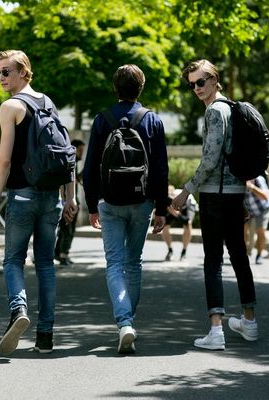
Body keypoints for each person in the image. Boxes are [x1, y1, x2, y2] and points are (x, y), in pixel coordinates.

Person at [0, 50, 77, 356]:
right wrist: (70, 197)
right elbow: (65, 154)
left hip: (22, 196)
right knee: (45, 266)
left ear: (24, 72)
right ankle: (45, 337)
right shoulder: (47, 102)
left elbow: (4, 160)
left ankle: (18, 309)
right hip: (51, 199)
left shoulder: (10, 107)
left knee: (12, 260)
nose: (1, 78)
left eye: (6, 72)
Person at [171, 59, 258, 351]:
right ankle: (249, 322)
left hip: (215, 195)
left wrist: (186, 191)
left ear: (214, 80)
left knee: (213, 261)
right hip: (234, 193)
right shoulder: (232, 108)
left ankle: (216, 331)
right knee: (239, 257)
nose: (196, 88)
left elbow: (210, 158)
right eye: (192, 84)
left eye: (200, 82)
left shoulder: (215, 111)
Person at [83, 64, 169, 354]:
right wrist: (161, 208)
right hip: (142, 201)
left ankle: (124, 323)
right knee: (134, 263)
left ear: (115, 88)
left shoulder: (102, 119)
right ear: (140, 88)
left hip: (110, 202)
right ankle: (128, 321)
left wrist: (91, 204)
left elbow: (90, 166)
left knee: (115, 263)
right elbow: (160, 168)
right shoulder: (152, 120)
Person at [55, 139, 85, 266]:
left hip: (68, 200)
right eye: (80, 150)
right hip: (68, 201)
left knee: (66, 229)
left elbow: (77, 179)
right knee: (68, 229)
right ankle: (63, 254)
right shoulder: (69, 162)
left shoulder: (73, 162)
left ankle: (58, 253)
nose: (81, 153)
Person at [162, 185, 198, 261]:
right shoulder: (165, 199)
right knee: (164, 226)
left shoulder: (177, 194)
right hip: (175, 206)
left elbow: (178, 214)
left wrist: (181, 216)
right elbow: (172, 211)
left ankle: (184, 252)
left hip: (189, 204)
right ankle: (170, 250)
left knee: (188, 223)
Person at [244, 175, 269, 265]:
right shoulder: (237, 181)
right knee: (244, 231)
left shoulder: (258, 179)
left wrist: (251, 187)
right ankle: (245, 253)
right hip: (250, 210)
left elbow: (265, 196)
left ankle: (259, 255)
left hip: (263, 208)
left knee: (260, 231)